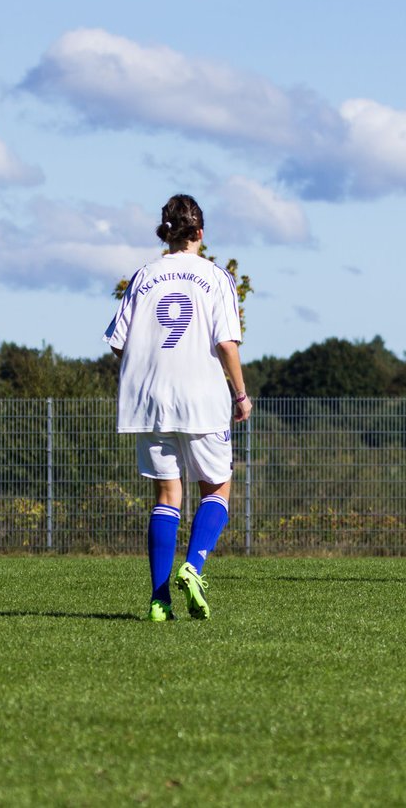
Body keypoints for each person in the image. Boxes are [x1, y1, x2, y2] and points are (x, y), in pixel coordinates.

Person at [104, 194, 252, 621]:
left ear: (165, 232)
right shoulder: (216, 277)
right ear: (200, 233)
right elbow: (226, 343)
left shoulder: (143, 276)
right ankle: (194, 565)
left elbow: (119, 342)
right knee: (217, 487)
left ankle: (158, 598)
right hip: (202, 397)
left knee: (167, 495)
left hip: (149, 399)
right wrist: (240, 394)